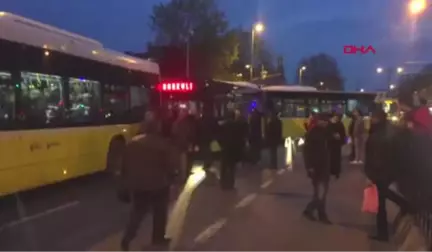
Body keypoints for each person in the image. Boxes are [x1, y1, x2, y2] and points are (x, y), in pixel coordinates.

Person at [120, 113, 177, 252]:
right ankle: (158, 239)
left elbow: (124, 165)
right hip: (158, 184)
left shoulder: (132, 143)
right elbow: (169, 165)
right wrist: (173, 177)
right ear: (157, 129)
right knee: (160, 212)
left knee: (137, 213)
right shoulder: (163, 144)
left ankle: (127, 238)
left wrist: (126, 181)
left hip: (138, 185)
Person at [302, 113, 332, 224]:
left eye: (326, 121)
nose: (326, 123)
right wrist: (309, 167)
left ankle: (313, 212)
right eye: (323, 121)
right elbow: (307, 151)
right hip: (316, 167)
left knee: (321, 192)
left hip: (324, 166)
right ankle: (318, 213)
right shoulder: (313, 133)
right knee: (320, 192)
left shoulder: (326, 132)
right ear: (318, 121)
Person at [219, 109, 248, 190]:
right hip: (234, 149)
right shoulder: (238, 125)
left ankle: (222, 182)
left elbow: (219, 137)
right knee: (232, 167)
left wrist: (222, 144)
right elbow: (241, 138)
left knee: (223, 166)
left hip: (225, 148)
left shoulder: (223, 125)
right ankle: (231, 183)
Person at [327, 113, 346, 179]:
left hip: (337, 144)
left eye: (337, 117)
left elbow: (343, 133)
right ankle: (332, 170)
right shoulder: (329, 124)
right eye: (335, 117)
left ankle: (336, 171)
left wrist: (341, 139)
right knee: (331, 157)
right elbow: (326, 133)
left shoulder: (339, 124)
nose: (336, 118)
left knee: (337, 157)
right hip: (331, 143)